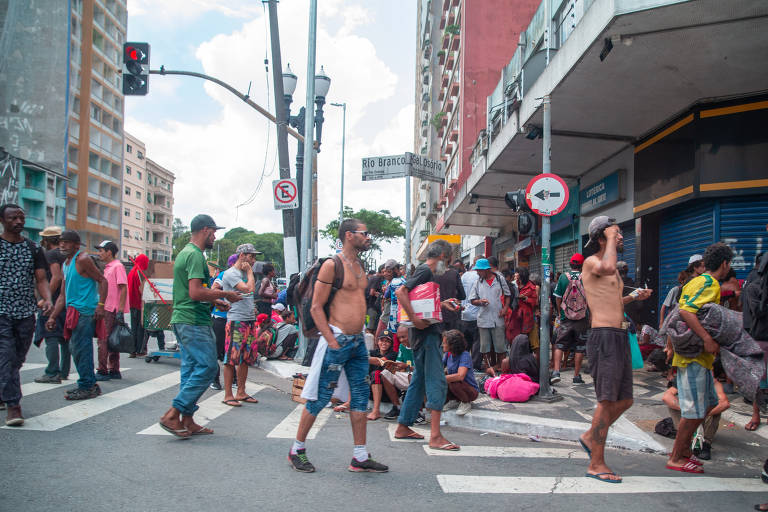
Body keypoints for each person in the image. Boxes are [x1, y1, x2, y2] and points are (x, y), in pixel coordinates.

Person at [289, 218, 388, 473]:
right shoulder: (332, 266)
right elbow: (315, 306)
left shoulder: (360, 264)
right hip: (338, 339)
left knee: (360, 397)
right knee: (321, 396)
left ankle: (360, 455)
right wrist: (332, 341)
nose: (368, 238)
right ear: (348, 235)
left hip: (356, 342)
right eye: (364, 233)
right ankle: (296, 450)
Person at [158, 214, 242, 438]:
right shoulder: (195, 256)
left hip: (184, 317)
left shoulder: (185, 253)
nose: (215, 237)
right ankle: (173, 414)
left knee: (191, 369)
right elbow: (195, 292)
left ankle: (187, 419)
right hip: (193, 320)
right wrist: (224, 293)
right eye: (214, 232)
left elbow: (191, 292)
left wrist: (215, 300)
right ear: (205, 230)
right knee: (208, 368)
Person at [578, 216, 648, 483]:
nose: (621, 237)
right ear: (601, 238)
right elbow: (606, 266)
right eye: (616, 233)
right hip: (604, 336)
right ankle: (596, 463)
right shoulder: (593, 262)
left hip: (619, 335)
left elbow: (610, 299)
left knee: (625, 399)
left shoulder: (610, 267)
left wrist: (633, 297)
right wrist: (608, 237)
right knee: (607, 400)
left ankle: (590, 435)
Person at [665, 242, 733, 473]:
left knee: (711, 403)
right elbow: (685, 311)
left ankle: (684, 451)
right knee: (693, 411)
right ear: (724, 264)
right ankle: (676, 456)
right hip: (693, 357)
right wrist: (706, 338)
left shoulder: (697, 281)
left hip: (698, 358)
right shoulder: (709, 283)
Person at [394, 239, 460, 451]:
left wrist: (441, 304)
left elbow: (417, 298)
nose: (447, 265)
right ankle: (435, 436)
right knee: (437, 382)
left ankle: (403, 426)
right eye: (448, 260)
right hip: (427, 336)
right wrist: (414, 319)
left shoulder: (424, 272)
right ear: (442, 256)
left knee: (419, 381)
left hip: (421, 335)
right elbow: (401, 292)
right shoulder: (425, 271)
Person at [0, 204, 52, 425]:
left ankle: (4, 390)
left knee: (17, 358)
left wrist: (47, 299)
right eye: (13, 218)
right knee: (7, 357)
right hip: (1, 312)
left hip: (25, 313)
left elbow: (41, 279)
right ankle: (14, 406)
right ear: (2, 220)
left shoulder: (33, 248)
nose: (19, 221)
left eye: (22, 217)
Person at [47, 229, 107, 401]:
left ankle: (87, 386)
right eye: (60, 241)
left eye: (66, 241)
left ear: (75, 244)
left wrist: (101, 306)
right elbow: (62, 295)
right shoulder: (67, 263)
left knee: (81, 348)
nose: (62, 244)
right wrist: (52, 316)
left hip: (84, 312)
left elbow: (103, 281)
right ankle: (88, 383)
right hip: (73, 311)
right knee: (76, 349)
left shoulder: (83, 259)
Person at [220, 243, 260, 407]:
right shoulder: (232, 274)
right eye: (252, 256)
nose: (254, 260)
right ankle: (228, 394)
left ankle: (241, 391)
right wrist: (250, 272)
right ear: (242, 256)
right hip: (237, 320)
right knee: (231, 358)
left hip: (249, 319)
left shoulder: (245, 273)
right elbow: (248, 290)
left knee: (245, 358)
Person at [663, 369, 729, 461]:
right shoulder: (685, 379)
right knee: (673, 403)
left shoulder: (715, 384)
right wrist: (688, 411)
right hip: (689, 415)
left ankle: (706, 443)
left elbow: (725, 403)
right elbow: (666, 397)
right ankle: (685, 438)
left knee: (716, 406)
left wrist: (703, 413)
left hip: (704, 416)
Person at [33, 226, 70, 384]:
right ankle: (63, 371)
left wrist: (46, 299)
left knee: (51, 336)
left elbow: (56, 277)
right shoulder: (64, 255)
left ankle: (52, 372)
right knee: (64, 338)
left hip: (54, 302)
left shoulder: (51, 255)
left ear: (47, 240)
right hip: (65, 301)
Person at [93, 240, 128, 381]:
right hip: (109, 307)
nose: (99, 253)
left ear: (109, 252)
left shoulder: (117, 266)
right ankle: (113, 369)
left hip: (110, 308)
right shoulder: (109, 267)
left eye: (101, 250)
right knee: (112, 339)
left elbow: (123, 288)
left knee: (104, 339)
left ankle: (103, 370)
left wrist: (119, 309)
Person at [552, 253, 588, 384]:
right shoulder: (586, 277)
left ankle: (556, 371)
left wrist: (560, 312)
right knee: (580, 346)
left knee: (560, 344)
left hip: (566, 317)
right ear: (582, 265)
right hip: (582, 319)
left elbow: (557, 297)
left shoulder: (563, 277)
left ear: (570, 264)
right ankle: (577, 376)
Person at [469, 258, 510, 372]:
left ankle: (501, 367)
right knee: (485, 347)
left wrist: (505, 308)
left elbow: (507, 295)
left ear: (486, 270)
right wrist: (480, 301)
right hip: (484, 318)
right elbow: (472, 300)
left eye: (479, 270)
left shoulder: (499, 279)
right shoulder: (478, 282)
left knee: (500, 346)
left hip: (498, 317)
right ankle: (488, 368)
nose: (477, 272)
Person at [209, 254, 237, 390]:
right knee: (217, 350)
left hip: (235, 319)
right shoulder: (224, 275)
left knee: (231, 350)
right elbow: (213, 289)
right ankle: (214, 379)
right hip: (220, 318)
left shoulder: (243, 277)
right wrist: (224, 297)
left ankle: (234, 378)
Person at [379, 325, 414, 421]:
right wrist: (391, 366)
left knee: (413, 377)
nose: (401, 340)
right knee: (385, 373)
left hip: (419, 376)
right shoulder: (402, 347)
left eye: (404, 337)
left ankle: (419, 412)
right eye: (399, 338)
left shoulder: (419, 345)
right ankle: (397, 407)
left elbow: (424, 369)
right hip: (406, 375)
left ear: (411, 334)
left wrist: (407, 367)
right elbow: (399, 365)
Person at [441, 329, 479, 416]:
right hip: (456, 388)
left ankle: (465, 402)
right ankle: (454, 400)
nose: (442, 345)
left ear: (452, 345)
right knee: (444, 376)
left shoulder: (465, 355)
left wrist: (440, 378)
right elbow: (439, 367)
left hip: (471, 391)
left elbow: (460, 376)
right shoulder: (448, 354)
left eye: (444, 343)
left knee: (453, 380)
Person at [367, 331, 398, 421]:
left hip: (387, 391)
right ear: (377, 341)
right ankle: (349, 402)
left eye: (387, 341)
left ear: (391, 343)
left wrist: (361, 357)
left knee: (376, 373)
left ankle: (376, 410)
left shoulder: (393, 354)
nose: (384, 343)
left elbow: (380, 361)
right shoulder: (373, 352)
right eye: (382, 340)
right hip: (372, 389)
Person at [506, 267, 537, 353]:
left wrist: (525, 298)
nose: (515, 275)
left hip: (526, 317)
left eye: (517, 273)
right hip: (514, 316)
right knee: (513, 338)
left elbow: (535, 302)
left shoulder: (531, 287)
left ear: (522, 275)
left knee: (524, 339)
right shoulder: (513, 285)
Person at [460, 257, 482, 371]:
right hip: (476, 313)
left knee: (465, 342)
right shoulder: (480, 277)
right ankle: (475, 365)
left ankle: (464, 364)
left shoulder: (464, 276)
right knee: (477, 341)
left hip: (464, 313)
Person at [127, 254, 148, 359]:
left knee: (133, 328)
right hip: (140, 304)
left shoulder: (131, 272)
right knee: (141, 328)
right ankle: (140, 349)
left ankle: (132, 350)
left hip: (132, 304)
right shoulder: (140, 273)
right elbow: (143, 290)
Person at [437, 260, 466, 331]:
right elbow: (462, 295)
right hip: (452, 315)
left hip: (437, 316)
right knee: (453, 340)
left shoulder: (433, 274)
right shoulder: (454, 274)